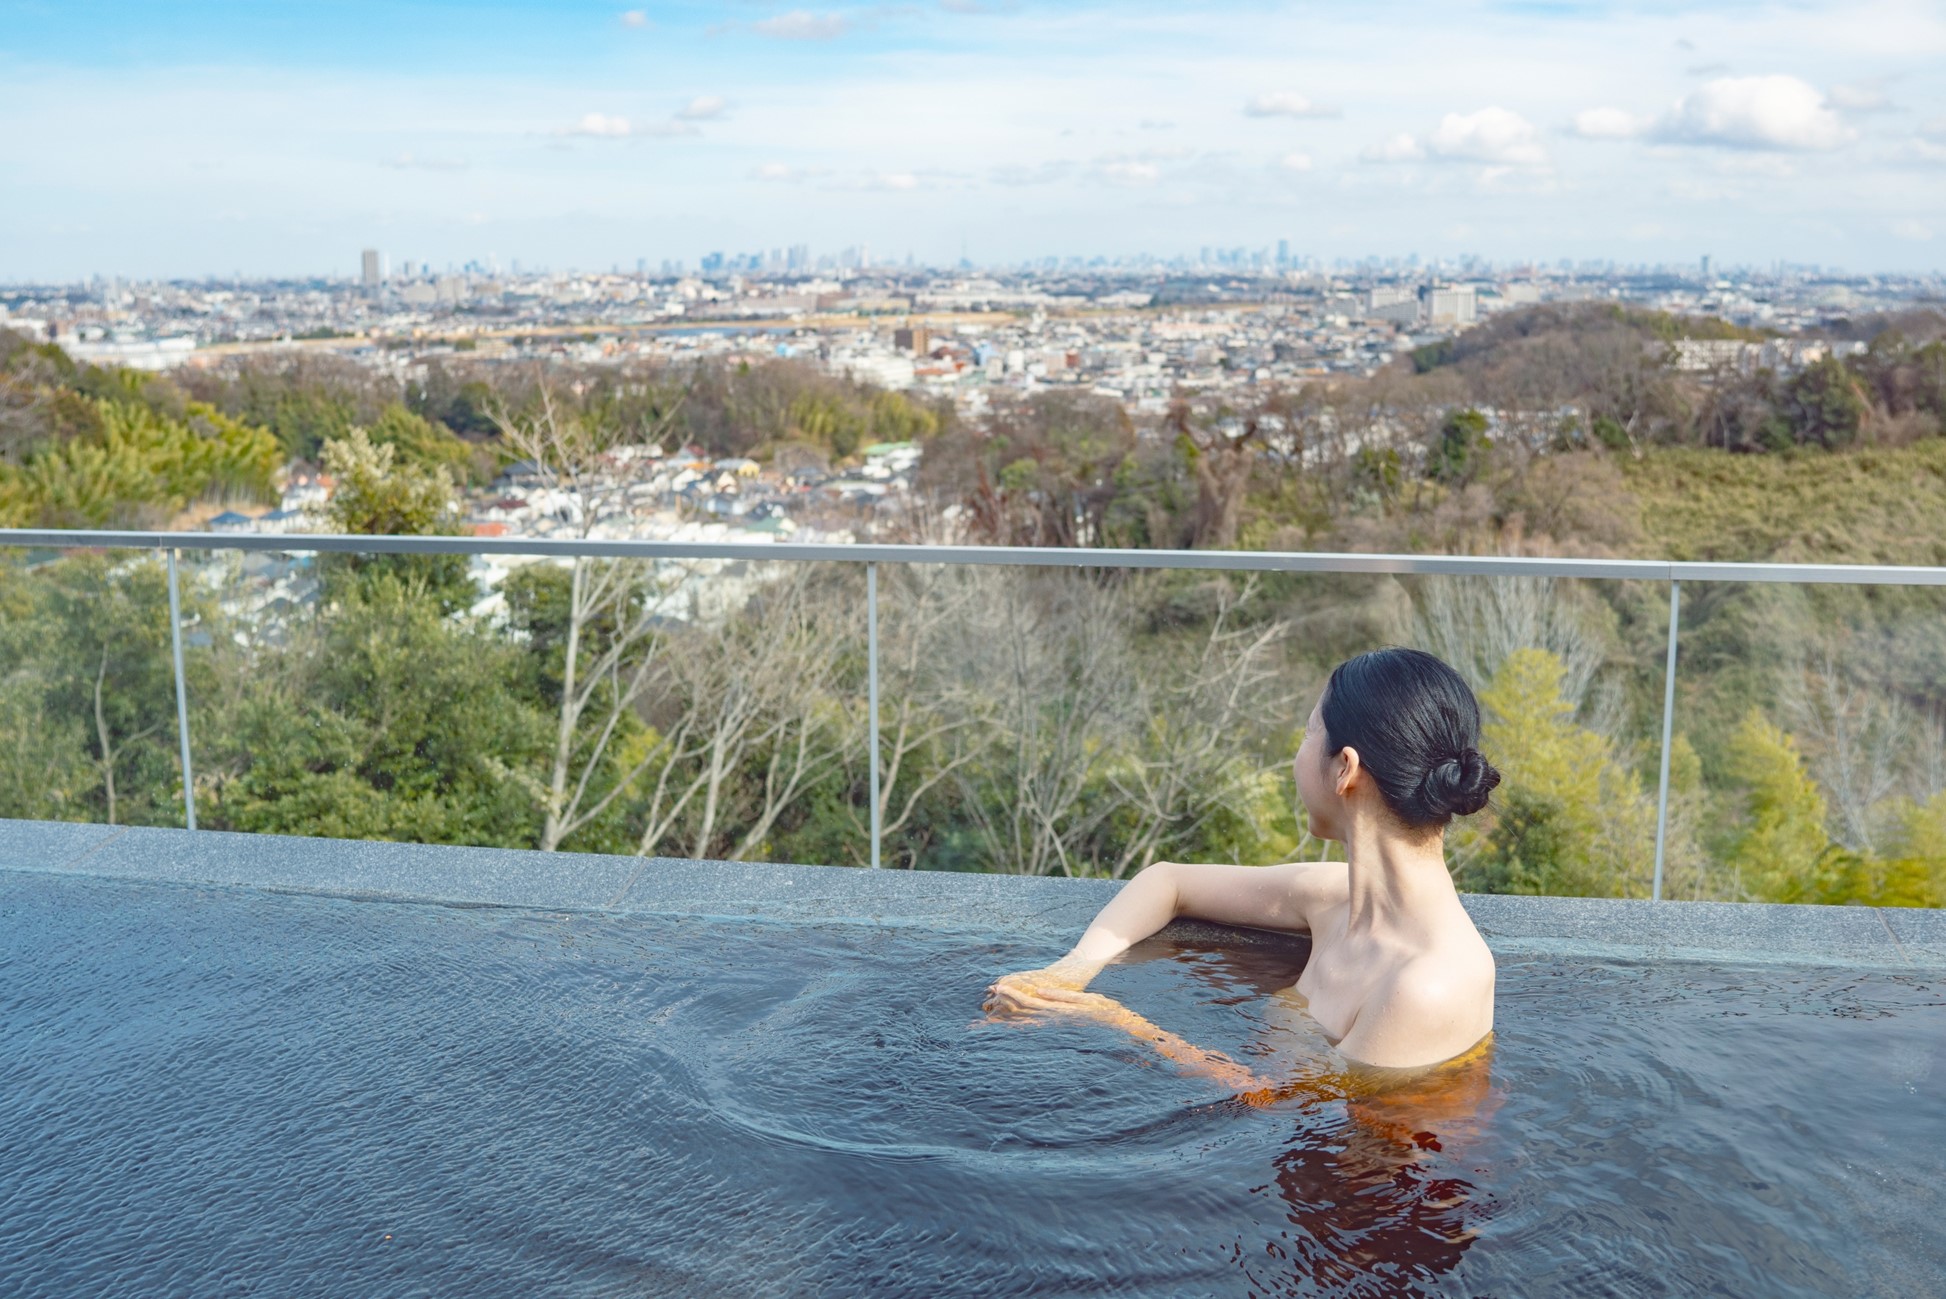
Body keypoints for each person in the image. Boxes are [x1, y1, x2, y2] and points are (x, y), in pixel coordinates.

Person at [983, 646, 1502, 1074]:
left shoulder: (1427, 985)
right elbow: (1168, 881)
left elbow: (1280, 1106)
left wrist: (1115, 1021)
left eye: (1307, 735)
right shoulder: (1335, 899)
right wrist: (1071, 972)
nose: (1296, 756)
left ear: (1345, 769)